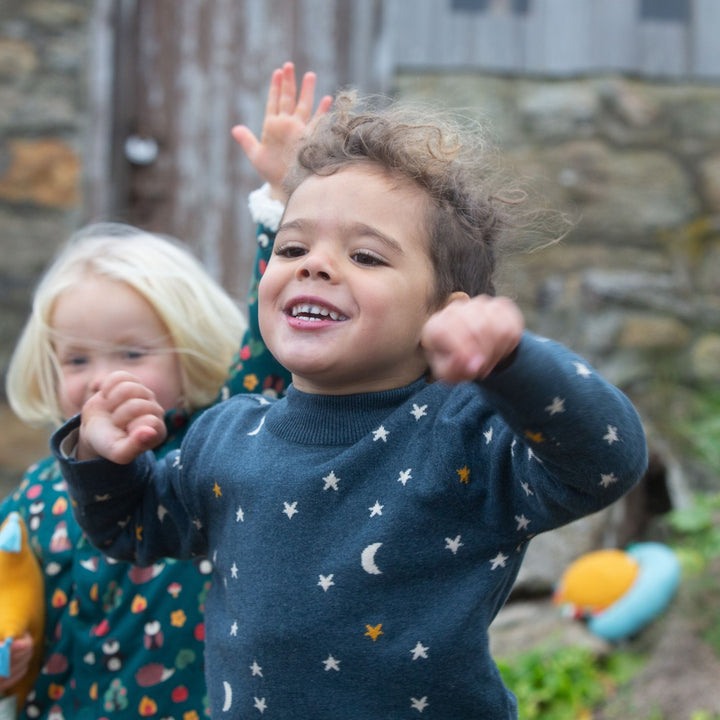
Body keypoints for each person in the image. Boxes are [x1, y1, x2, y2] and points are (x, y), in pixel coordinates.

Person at [51, 84, 648, 719]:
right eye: (292, 248)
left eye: (365, 255)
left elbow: (606, 461)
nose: (316, 265)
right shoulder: (224, 436)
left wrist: (513, 364)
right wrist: (101, 459)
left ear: (446, 315)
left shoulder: (466, 433)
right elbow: (133, 530)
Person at [2, 62, 329, 719]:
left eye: (131, 352)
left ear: (191, 358)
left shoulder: (211, 458)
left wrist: (281, 201)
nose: (101, 377)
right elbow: (15, 607)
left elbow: (268, 359)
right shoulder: (35, 495)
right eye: (76, 358)